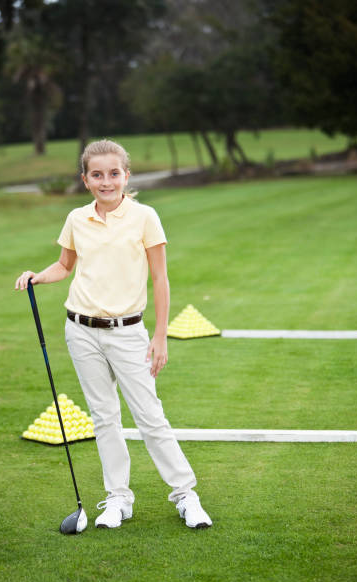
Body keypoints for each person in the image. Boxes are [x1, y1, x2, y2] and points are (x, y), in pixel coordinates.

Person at [15, 139, 212, 530]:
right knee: (104, 418)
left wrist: (160, 336)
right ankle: (118, 499)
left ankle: (185, 495)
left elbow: (160, 278)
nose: (106, 181)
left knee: (150, 417)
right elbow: (64, 265)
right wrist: (37, 276)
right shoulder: (76, 219)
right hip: (80, 331)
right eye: (97, 175)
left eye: (114, 173)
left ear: (126, 176)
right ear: (86, 179)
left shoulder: (145, 217)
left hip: (128, 332)